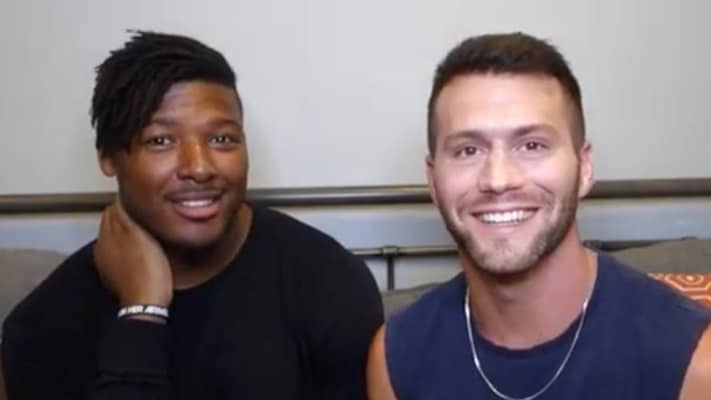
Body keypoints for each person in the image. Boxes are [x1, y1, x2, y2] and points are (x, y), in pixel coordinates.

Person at [1, 31, 383, 399]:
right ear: (109, 157)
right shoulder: (43, 326)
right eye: (160, 141)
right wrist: (142, 312)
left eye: (221, 139)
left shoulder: (325, 281)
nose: (199, 167)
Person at [367, 32, 711, 399]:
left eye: (532, 145)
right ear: (433, 180)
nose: (498, 180)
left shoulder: (692, 361)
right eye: (468, 151)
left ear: (584, 168)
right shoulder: (395, 359)